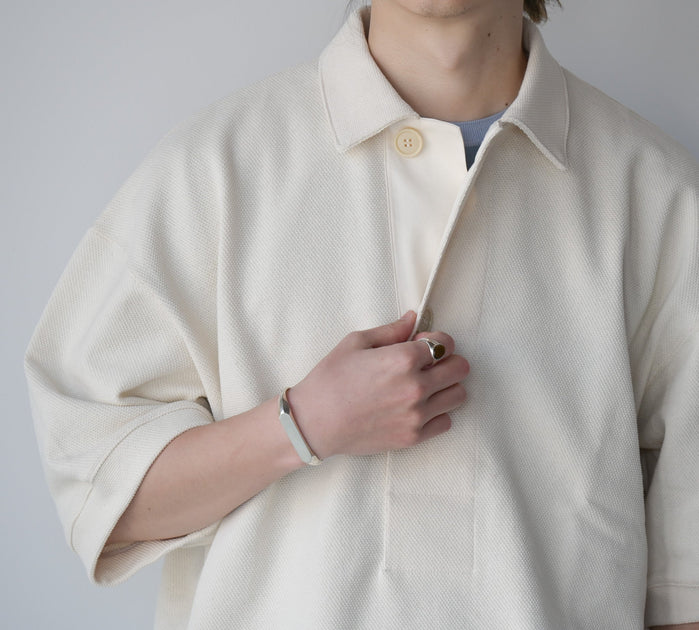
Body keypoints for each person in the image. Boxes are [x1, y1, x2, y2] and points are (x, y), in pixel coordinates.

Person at [25, 0, 699, 628]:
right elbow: (99, 492)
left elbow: (685, 586)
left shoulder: (659, 198)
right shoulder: (213, 170)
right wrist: (300, 427)